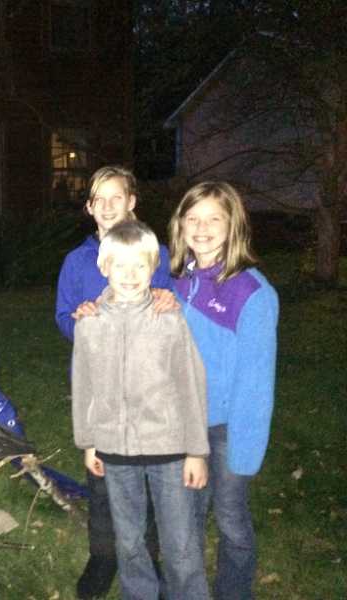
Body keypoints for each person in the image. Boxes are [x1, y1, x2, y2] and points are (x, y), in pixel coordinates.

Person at [72, 220, 211, 600]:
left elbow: (191, 385)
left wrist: (196, 451)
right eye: (120, 264)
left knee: (181, 544)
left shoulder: (169, 319)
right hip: (115, 451)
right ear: (104, 267)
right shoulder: (89, 324)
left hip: (169, 449)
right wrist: (89, 442)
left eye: (140, 265)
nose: (130, 275)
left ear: (153, 269)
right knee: (129, 541)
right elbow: (83, 387)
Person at [55, 165, 172, 599]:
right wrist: (79, 320)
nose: (107, 206)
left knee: (148, 476)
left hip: (146, 389)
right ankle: (103, 555)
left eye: (116, 197)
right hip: (99, 390)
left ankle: (148, 554)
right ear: (89, 207)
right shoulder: (76, 261)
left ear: (132, 202)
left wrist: (167, 301)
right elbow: (63, 315)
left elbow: (168, 308)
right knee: (101, 477)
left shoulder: (156, 253)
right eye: (98, 199)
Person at [168, 181, 278, 600]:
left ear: (234, 226)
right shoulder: (178, 282)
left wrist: (245, 454)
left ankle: (234, 592)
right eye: (192, 218)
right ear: (180, 225)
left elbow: (256, 382)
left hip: (228, 429)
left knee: (230, 517)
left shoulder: (252, 292)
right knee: (187, 517)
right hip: (185, 424)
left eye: (214, 218)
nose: (202, 228)